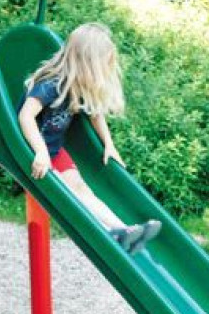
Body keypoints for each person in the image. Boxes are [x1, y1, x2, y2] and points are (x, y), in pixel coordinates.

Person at [17, 22, 161, 254]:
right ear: (86, 63)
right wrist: (41, 152)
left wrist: (109, 144)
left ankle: (123, 230)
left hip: (55, 151)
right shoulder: (51, 85)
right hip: (32, 152)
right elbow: (25, 116)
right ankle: (108, 234)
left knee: (82, 189)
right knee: (69, 193)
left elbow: (96, 114)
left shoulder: (78, 84)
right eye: (101, 65)